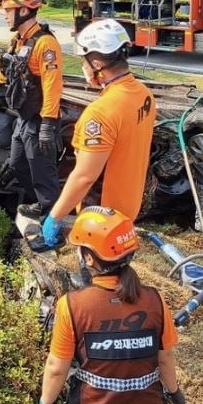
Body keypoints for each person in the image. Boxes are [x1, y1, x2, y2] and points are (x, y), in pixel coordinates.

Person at [37, 207, 186, 404]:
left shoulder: (73, 305)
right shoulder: (155, 300)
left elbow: (56, 367)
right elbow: (165, 359)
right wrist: (174, 392)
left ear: (89, 258)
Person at [42, 18, 157, 248]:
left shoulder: (100, 113)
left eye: (84, 61)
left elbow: (84, 177)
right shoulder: (144, 95)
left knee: (98, 278)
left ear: (96, 63)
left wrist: (55, 217)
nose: (83, 67)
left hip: (101, 219)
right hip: (128, 210)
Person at [0, 0, 65, 220]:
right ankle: (39, 202)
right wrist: (0, 71)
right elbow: (10, 76)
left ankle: (51, 217)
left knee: (43, 171)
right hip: (24, 117)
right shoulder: (18, 41)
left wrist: (48, 124)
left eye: (7, 11)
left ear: (23, 10)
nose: (4, 16)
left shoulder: (45, 43)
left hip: (39, 119)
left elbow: (52, 85)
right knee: (17, 163)